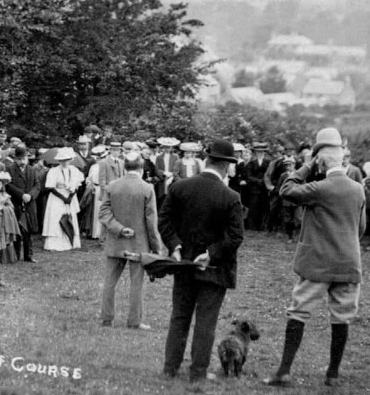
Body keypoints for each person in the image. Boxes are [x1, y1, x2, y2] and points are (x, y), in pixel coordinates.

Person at [263, 130, 366, 388]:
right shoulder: (358, 189)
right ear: (343, 161)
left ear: (321, 161)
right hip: (348, 263)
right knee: (342, 317)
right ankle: (332, 373)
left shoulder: (319, 188)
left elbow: (285, 189)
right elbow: (361, 229)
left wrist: (307, 166)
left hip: (317, 264)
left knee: (298, 312)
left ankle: (284, 371)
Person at [158, 139, 244, 383]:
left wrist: (174, 246)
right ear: (226, 167)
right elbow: (236, 236)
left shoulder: (179, 188)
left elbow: (164, 221)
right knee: (206, 323)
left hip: (183, 264)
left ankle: (169, 369)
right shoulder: (231, 196)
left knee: (179, 318)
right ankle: (197, 373)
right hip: (214, 270)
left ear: (206, 160)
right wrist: (211, 253)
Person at [99, 151, 163, 330]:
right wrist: (157, 248)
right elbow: (151, 222)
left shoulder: (112, 186)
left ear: (124, 166)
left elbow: (103, 213)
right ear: (142, 168)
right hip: (139, 244)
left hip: (116, 241)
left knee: (109, 282)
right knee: (137, 284)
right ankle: (134, 321)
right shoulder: (147, 188)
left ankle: (106, 319)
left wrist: (119, 229)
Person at [42, 147, 84, 251]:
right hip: (57, 197)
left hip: (70, 197)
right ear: (59, 161)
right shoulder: (53, 171)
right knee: (56, 218)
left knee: (70, 217)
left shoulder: (74, 170)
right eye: (62, 160)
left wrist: (70, 197)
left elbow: (77, 185)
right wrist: (62, 198)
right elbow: (50, 187)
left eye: (66, 160)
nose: (64, 162)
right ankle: (55, 244)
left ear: (70, 159)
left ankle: (71, 240)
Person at [6, 146, 42, 262]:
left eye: (24, 158)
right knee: (17, 229)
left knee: (28, 230)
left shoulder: (32, 170)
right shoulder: (10, 170)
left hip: (29, 204)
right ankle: (16, 255)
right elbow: (9, 185)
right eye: (20, 159)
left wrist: (30, 195)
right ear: (15, 159)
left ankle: (28, 255)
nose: (22, 161)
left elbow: (37, 186)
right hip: (16, 203)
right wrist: (21, 194)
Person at [245, 142, 271, 231]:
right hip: (254, 188)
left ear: (264, 152)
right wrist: (258, 181)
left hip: (265, 188)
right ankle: (253, 226)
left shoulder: (268, 162)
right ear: (255, 152)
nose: (260, 153)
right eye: (258, 151)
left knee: (264, 207)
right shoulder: (251, 162)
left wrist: (266, 182)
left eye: (261, 151)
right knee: (254, 207)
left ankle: (263, 226)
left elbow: (270, 174)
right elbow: (249, 176)